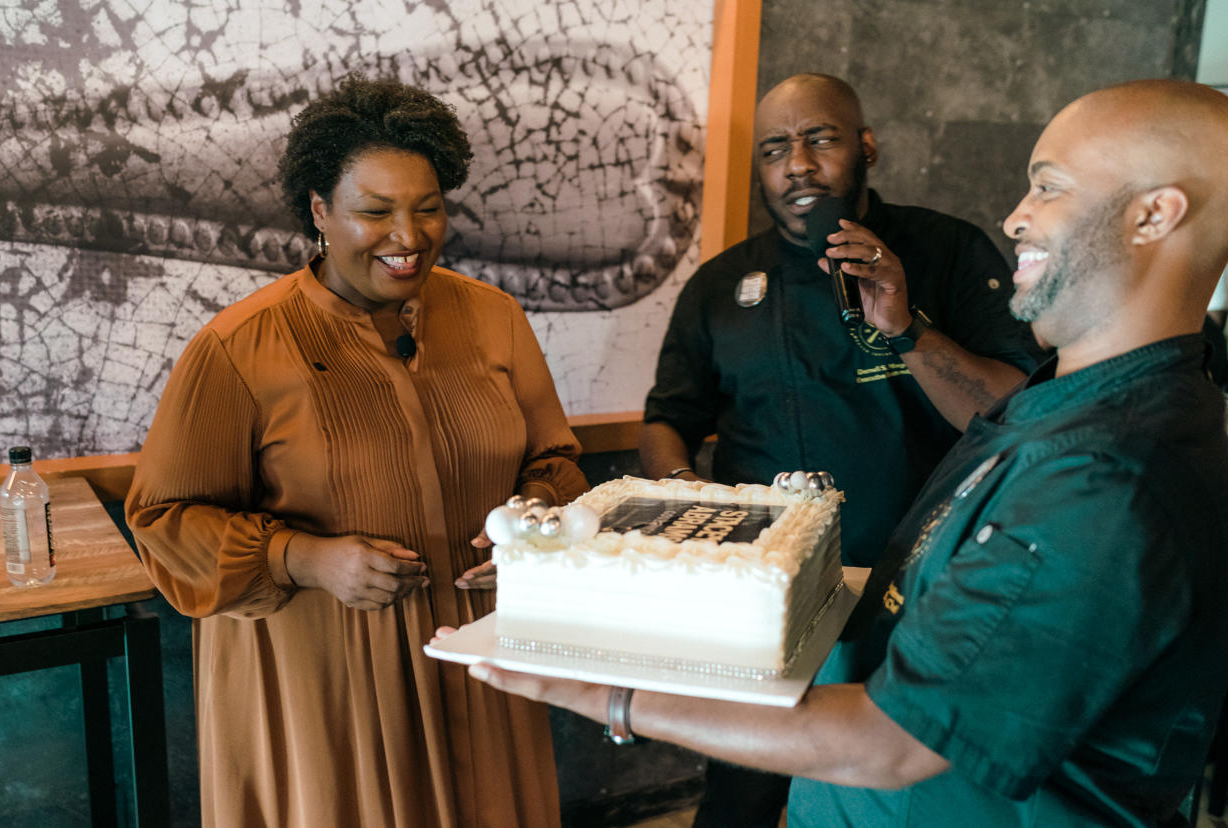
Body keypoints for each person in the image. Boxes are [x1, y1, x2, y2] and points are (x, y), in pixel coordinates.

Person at [446, 78, 1228, 827]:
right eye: (774, 147)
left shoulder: (1104, 473)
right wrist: (631, 567)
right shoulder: (1066, 409)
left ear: (1155, 215)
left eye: (1047, 186)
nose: (1017, 217)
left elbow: (893, 743)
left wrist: (611, 696)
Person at [125, 75, 587, 827]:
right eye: (375, 212)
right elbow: (162, 523)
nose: (409, 236)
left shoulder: (494, 319)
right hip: (323, 685)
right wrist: (305, 558)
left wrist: (535, 521)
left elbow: (557, 461)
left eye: (428, 208)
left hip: (480, 659)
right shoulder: (238, 347)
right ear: (319, 211)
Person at [639, 73, 1040, 826]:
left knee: (892, 796)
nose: (797, 164)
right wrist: (695, 514)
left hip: (920, 587)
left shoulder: (947, 251)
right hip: (765, 595)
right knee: (743, 794)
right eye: (774, 149)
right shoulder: (722, 286)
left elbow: (1014, 411)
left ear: (866, 147)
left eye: (818, 138)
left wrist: (908, 329)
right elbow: (669, 420)